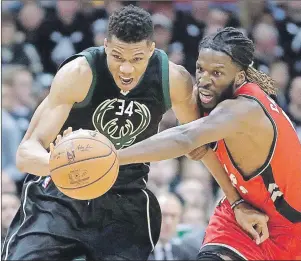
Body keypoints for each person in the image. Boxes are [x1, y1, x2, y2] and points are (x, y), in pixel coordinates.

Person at [2, 5, 238, 261]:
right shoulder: (79, 73)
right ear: (105, 45)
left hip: (125, 196)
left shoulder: (173, 80)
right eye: (117, 56)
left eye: (136, 58)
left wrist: (236, 201)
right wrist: (63, 165)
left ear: (151, 48)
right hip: (62, 194)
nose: (126, 68)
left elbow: (199, 145)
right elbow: (26, 153)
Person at [118, 27, 301, 260]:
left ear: (240, 77)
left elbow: (184, 138)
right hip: (243, 212)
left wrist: (115, 158)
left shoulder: (244, 109)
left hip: (291, 230)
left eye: (216, 73)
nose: (204, 80)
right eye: (200, 69)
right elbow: (204, 151)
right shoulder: (208, 98)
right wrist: (235, 203)